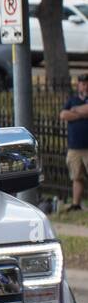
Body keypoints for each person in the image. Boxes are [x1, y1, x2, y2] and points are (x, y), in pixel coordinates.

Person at [60, 73, 88, 211]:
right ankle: (76, 204)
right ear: (79, 85)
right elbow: (64, 114)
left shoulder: (75, 105)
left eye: (87, 83)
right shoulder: (73, 100)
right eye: (83, 84)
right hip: (75, 146)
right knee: (76, 176)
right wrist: (83, 113)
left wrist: (76, 111)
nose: (85, 86)